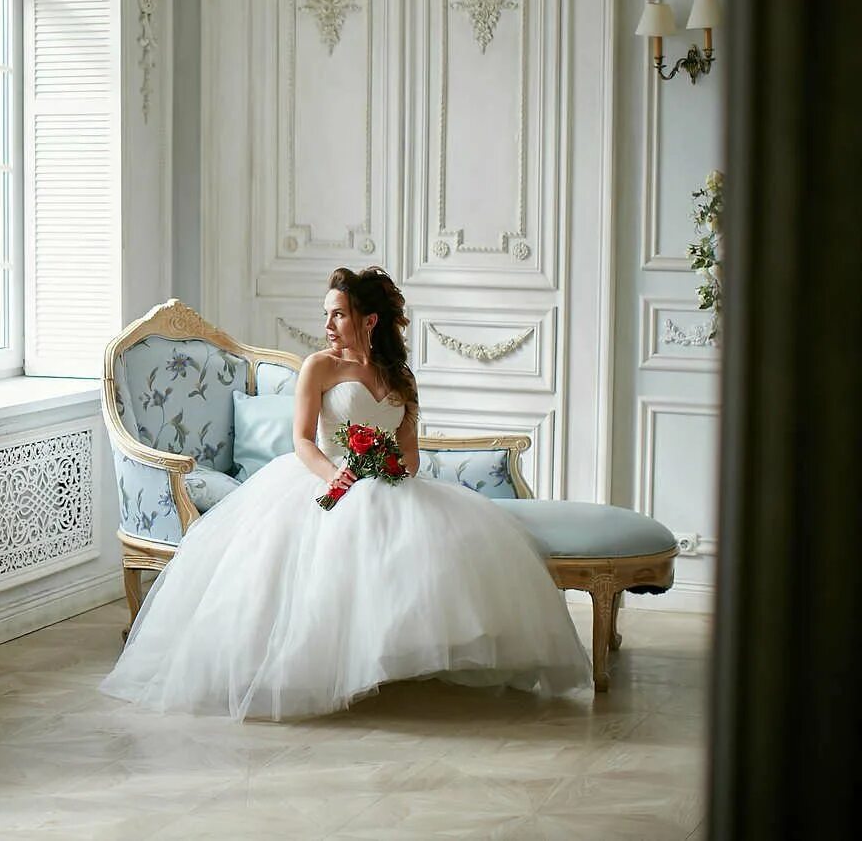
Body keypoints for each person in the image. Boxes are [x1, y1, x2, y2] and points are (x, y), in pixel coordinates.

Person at [100, 267, 590, 720]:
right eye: (327, 314)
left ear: (369, 321)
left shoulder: (400, 377)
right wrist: (338, 477)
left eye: (338, 314)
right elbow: (302, 441)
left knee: (445, 541)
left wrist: (390, 467)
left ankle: (396, 658)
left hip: (388, 482)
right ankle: (322, 668)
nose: (328, 325)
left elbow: (410, 451)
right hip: (323, 477)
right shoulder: (320, 367)